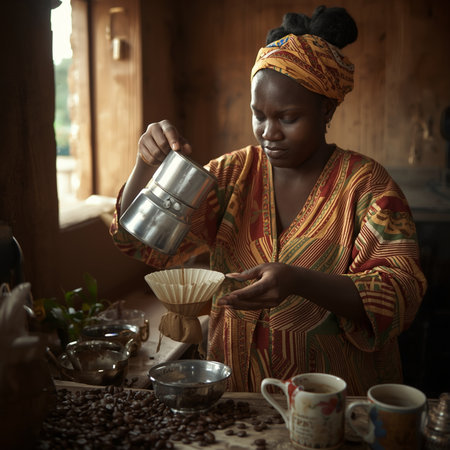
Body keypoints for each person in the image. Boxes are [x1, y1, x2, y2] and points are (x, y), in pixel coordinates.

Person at [110, 5, 427, 395]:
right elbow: (138, 242)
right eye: (258, 115)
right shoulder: (231, 176)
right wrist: (145, 166)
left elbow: (399, 296)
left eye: (287, 118)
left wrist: (299, 281)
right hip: (238, 395)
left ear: (325, 109)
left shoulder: (367, 188)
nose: (268, 132)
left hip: (332, 402)